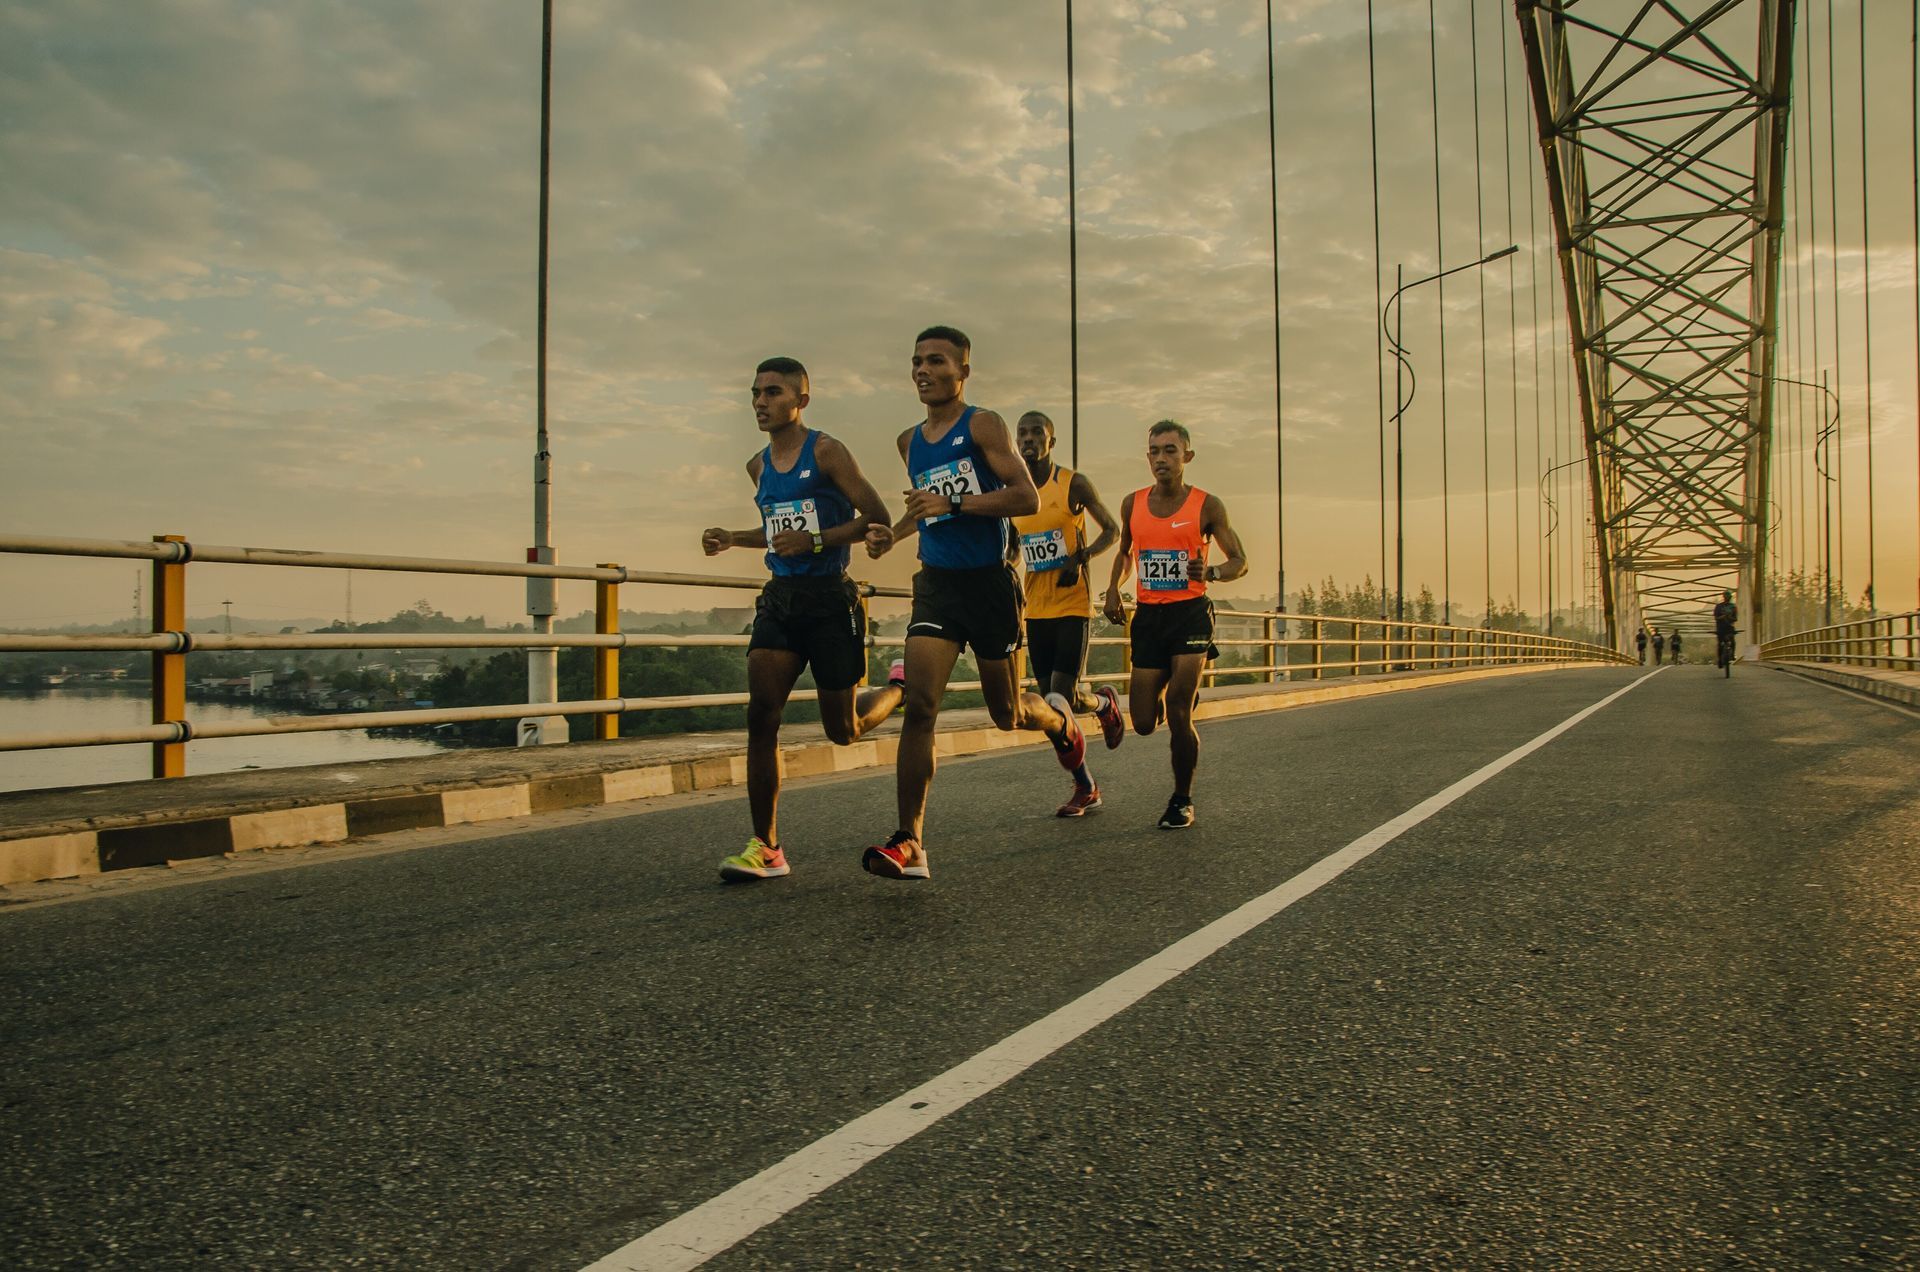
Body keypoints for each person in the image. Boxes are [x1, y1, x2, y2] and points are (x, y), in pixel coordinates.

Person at [860, 326, 1096, 880]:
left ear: (962, 371)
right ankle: (909, 841)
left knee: (1008, 712)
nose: (922, 369)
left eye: (936, 361)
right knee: (921, 708)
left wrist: (957, 501)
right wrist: (890, 536)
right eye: (916, 360)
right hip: (938, 584)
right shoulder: (908, 441)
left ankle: (1061, 721)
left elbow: (1025, 496)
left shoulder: (982, 424)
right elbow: (927, 509)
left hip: (990, 585)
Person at [704, 356, 904, 882]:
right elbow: (775, 529)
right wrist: (734, 538)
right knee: (761, 715)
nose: (760, 402)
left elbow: (876, 517)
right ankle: (767, 847)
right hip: (780, 601)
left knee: (844, 729)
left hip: (830, 601)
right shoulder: (758, 465)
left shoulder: (827, 451)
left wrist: (816, 541)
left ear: (801, 400)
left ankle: (896, 690)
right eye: (755, 393)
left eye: (772, 392)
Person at [1102, 420, 1248, 829]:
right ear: (1147, 457)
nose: (1161, 458)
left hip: (1190, 614)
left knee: (1179, 712)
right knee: (1145, 723)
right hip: (1149, 617)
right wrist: (1114, 586)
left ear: (1187, 456)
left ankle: (1182, 799)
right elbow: (1126, 551)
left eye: (1170, 450)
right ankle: (1172, 694)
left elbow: (1241, 560)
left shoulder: (1207, 505)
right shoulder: (1132, 503)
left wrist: (1214, 572)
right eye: (1154, 451)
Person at [1007, 409, 1125, 815]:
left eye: (1036, 432)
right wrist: (1005, 568)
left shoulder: (1072, 483)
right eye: (1021, 433)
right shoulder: (1015, 491)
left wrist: (1081, 557)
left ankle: (1084, 786)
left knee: (1057, 698)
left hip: (1073, 604)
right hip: (1035, 609)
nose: (1028, 439)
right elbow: (1014, 546)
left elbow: (1113, 529)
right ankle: (1104, 707)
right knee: (1057, 706)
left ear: (1050, 442)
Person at [1712, 591, 1738, 666]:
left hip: (1729, 627)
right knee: (1720, 643)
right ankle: (1720, 659)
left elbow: (1735, 618)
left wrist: (1729, 617)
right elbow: (1716, 618)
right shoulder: (1719, 606)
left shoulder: (1733, 606)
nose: (1728, 598)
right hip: (1721, 627)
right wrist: (1723, 616)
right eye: (1727, 597)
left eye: (1729, 597)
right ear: (1724, 597)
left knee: (1732, 641)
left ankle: (1732, 654)